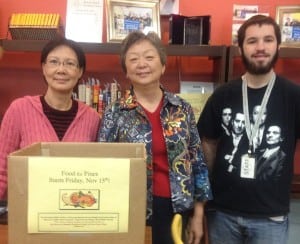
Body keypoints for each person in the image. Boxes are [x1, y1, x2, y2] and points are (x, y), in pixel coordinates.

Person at [98, 31, 212, 244]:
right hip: (130, 209)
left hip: (177, 208)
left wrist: (198, 214)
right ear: (126, 70)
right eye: (133, 59)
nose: (142, 64)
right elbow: (102, 167)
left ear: (163, 65)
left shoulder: (181, 109)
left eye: (149, 57)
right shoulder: (115, 113)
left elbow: (197, 162)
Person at [197, 14, 300, 244]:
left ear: (278, 45)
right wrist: (203, 203)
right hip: (223, 212)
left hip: (270, 216)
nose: (260, 47)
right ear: (240, 47)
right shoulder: (223, 95)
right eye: (252, 41)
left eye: (268, 40)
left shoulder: (293, 96)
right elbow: (208, 145)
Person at [0, 37, 100, 200]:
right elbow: (2, 170)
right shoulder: (19, 109)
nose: (61, 70)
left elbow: (98, 172)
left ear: (80, 71)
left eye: (70, 63)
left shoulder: (92, 118)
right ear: (43, 68)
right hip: (29, 213)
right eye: (54, 62)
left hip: (76, 213)